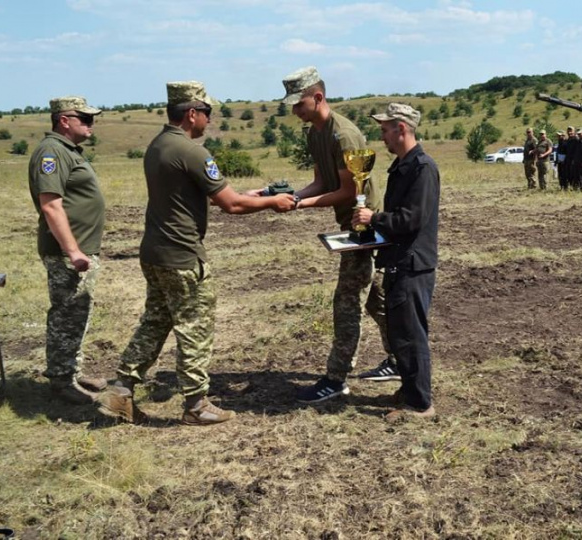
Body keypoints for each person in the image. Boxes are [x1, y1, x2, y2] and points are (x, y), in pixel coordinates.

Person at [98, 81, 293, 425]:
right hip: (182, 255)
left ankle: (121, 389)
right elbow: (230, 205)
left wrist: (249, 194)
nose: (209, 120)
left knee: (156, 322)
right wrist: (272, 202)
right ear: (192, 113)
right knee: (195, 326)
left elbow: (198, 194)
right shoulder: (192, 151)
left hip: (155, 251)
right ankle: (196, 405)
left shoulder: (158, 145)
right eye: (207, 113)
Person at [278, 66, 395, 403]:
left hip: (365, 226)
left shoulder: (344, 134)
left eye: (299, 103)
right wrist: (295, 196)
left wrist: (300, 206)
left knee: (346, 302)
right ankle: (400, 358)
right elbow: (320, 182)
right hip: (349, 224)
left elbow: (348, 191)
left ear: (318, 97)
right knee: (375, 300)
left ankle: (336, 378)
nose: (295, 111)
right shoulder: (315, 132)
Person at [352, 103, 439, 422]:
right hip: (399, 261)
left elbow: (412, 219)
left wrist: (373, 218)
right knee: (401, 332)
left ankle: (420, 405)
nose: (383, 136)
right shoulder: (404, 165)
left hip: (413, 265)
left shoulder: (422, 168)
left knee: (411, 335)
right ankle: (409, 390)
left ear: (401, 129)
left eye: (386, 130)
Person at [28, 96, 107, 405]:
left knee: (78, 313)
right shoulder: (52, 152)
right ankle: (62, 381)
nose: (90, 123)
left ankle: (70, 371)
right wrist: (73, 251)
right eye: (84, 118)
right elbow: (51, 204)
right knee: (67, 315)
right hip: (67, 253)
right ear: (64, 120)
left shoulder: (66, 151)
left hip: (78, 249)